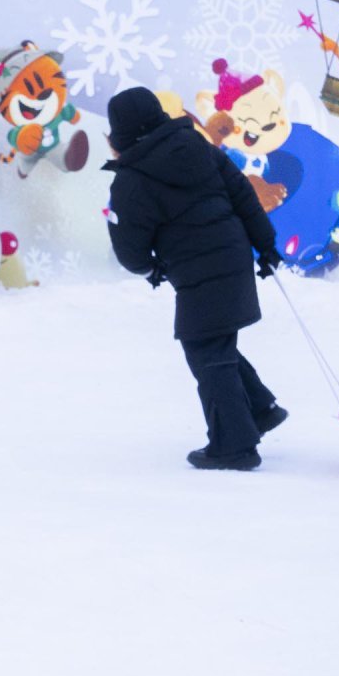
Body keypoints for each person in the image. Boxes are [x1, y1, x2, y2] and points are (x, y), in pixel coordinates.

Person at [104, 85, 286, 472]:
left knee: (205, 350)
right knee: (213, 344)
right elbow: (242, 194)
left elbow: (129, 246)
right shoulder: (198, 147)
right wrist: (265, 245)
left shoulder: (131, 179)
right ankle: (258, 409)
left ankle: (234, 445)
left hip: (196, 269)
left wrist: (150, 267)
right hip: (232, 255)